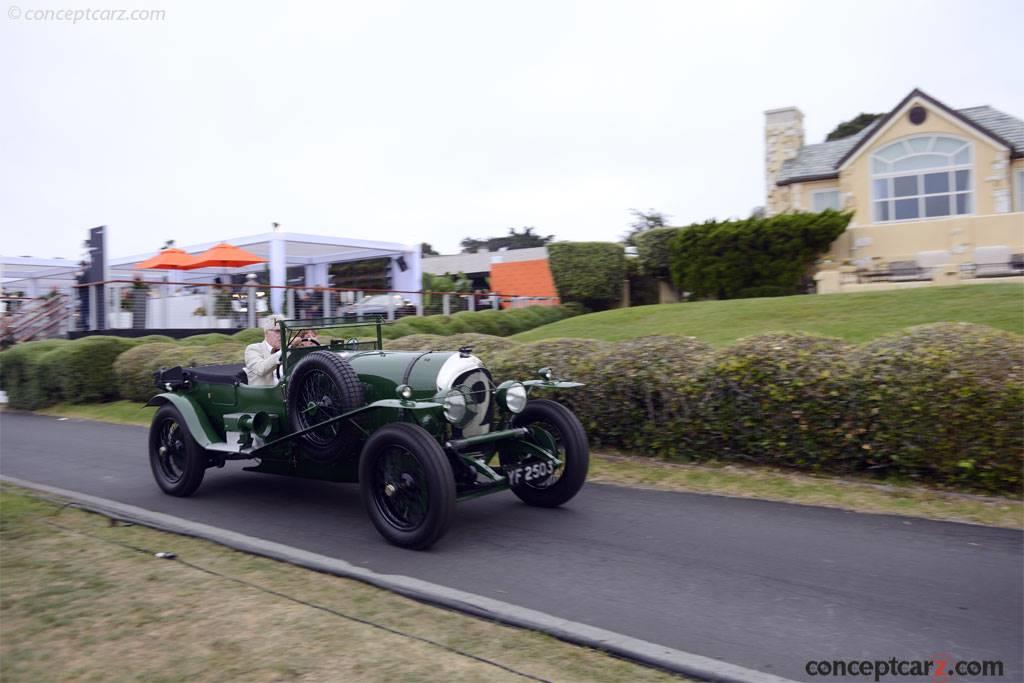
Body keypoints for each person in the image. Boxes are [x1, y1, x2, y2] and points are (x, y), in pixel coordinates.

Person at [244, 315, 319, 386]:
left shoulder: (288, 350)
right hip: (263, 396)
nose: (282, 335)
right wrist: (286, 349)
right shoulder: (253, 349)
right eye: (277, 331)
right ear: (266, 332)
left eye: (284, 331)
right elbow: (261, 369)